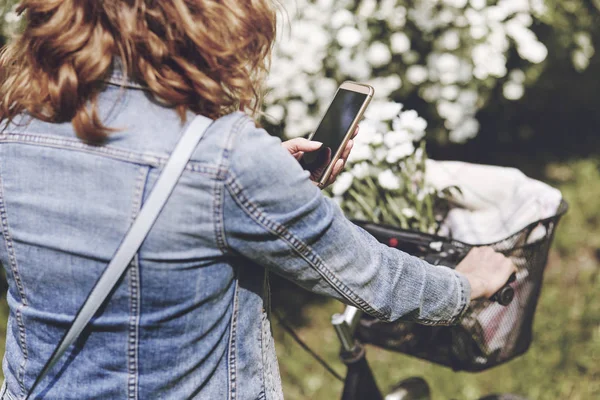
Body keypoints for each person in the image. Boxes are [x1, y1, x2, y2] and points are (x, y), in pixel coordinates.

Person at [0, 1, 515, 399]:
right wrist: (468, 282)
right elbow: (371, 275)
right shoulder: (226, 157)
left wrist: (268, 191)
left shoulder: (15, 126)